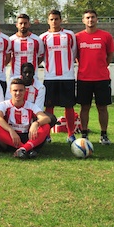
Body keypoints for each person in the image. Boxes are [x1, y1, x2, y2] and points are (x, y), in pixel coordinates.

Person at [76, 9, 114, 145]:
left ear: (97, 19)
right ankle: (84, 133)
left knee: (102, 107)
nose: (90, 20)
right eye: (87, 17)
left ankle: (104, 134)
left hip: (102, 78)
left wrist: (102, 66)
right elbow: (76, 56)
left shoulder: (106, 36)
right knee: (84, 107)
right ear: (83, 20)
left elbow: (110, 54)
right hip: (84, 78)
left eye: (92, 17)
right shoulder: (78, 37)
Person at [39, 9, 77, 143]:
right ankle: (47, 135)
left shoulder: (69, 35)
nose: (54, 22)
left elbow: (73, 52)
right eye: (51, 19)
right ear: (48, 21)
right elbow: (41, 56)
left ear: (60, 20)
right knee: (49, 107)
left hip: (67, 76)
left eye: (56, 19)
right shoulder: (43, 37)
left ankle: (71, 134)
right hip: (50, 76)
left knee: (69, 106)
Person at [0, 78, 53, 159]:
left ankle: (24, 149)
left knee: (46, 126)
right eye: (15, 90)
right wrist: (10, 130)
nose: (18, 93)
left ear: (25, 91)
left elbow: (46, 118)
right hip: (10, 137)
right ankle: (26, 149)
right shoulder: (4, 104)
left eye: (21, 90)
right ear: (10, 91)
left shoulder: (30, 105)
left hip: (27, 136)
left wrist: (36, 123)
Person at [10, 13, 44, 79]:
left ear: (29, 24)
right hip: (16, 76)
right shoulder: (11, 40)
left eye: (25, 23)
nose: (23, 25)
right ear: (17, 25)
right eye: (21, 23)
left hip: (32, 77)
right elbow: (8, 57)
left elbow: (40, 57)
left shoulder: (37, 40)